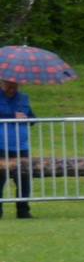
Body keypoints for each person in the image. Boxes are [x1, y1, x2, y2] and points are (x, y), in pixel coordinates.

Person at [1, 78, 34, 218]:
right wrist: (12, 116)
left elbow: (33, 118)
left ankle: (23, 211)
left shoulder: (23, 98)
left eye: (14, 88)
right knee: (0, 179)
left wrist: (28, 118)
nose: (11, 90)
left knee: (23, 179)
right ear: (1, 84)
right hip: (1, 145)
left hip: (21, 146)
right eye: (8, 87)